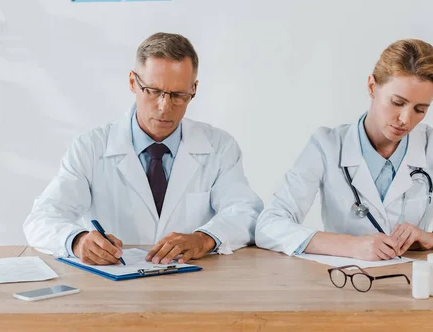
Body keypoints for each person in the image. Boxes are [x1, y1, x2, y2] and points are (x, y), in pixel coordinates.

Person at [256, 39, 433, 260]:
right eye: (397, 102)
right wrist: (351, 246)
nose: (406, 120)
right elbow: (269, 225)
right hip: (345, 284)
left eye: (420, 109)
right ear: (372, 87)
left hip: (414, 287)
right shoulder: (327, 146)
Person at [24, 32, 262, 265]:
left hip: (193, 287)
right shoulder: (90, 147)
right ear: (132, 82)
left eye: (178, 95)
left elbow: (247, 213)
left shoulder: (219, 146)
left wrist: (205, 238)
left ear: (193, 90)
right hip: (115, 288)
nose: (164, 107)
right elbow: (41, 219)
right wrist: (76, 241)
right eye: (153, 91)